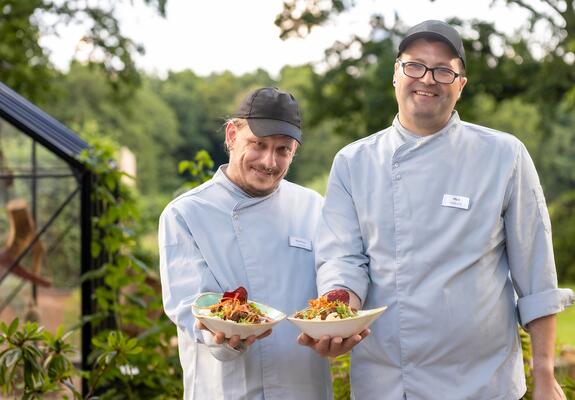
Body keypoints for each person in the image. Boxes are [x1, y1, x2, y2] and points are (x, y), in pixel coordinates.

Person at [299, 20, 575, 400]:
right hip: (388, 383)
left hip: (482, 383)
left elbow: (537, 274)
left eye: (444, 70)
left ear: (460, 85)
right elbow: (343, 259)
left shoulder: (504, 155)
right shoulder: (353, 162)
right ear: (394, 74)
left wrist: (544, 375)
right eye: (414, 66)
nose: (427, 79)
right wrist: (338, 315)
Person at [158, 87, 332, 399]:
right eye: (258, 144)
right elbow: (190, 306)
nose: (269, 161)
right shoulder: (186, 213)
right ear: (231, 136)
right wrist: (227, 336)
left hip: (302, 385)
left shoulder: (313, 207)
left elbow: (333, 285)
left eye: (283, 150)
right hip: (226, 387)